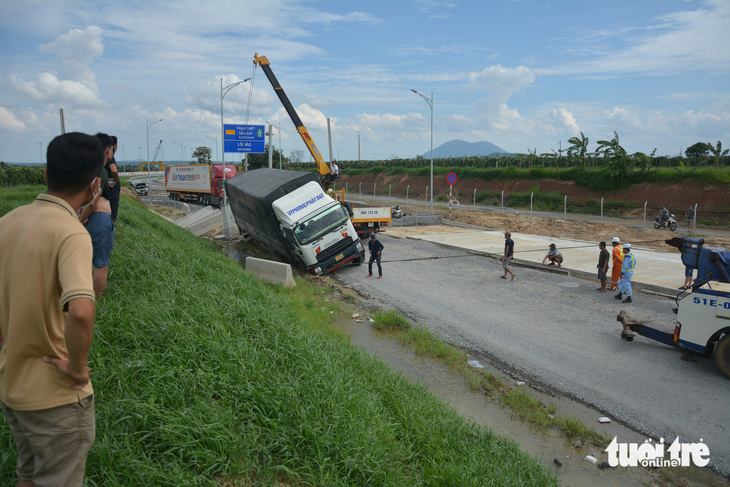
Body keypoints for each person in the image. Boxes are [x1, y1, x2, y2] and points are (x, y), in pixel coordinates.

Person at [0, 132, 102, 487]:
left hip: (13, 387)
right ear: (94, 186)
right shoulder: (72, 234)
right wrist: (77, 369)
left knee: (27, 476)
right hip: (55, 398)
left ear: (45, 173)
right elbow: (80, 311)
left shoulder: (8, 222)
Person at [80, 133, 116, 296]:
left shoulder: (83, 168)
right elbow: (93, 202)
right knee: (101, 265)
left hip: (87, 218)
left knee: (88, 262)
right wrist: (80, 220)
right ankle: (98, 304)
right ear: (108, 151)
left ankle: (83, 296)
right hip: (98, 219)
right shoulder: (100, 172)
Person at [107, 136, 121, 222]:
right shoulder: (110, 156)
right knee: (112, 217)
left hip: (107, 192)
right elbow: (114, 171)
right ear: (114, 146)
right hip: (112, 192)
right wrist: (115, 180)